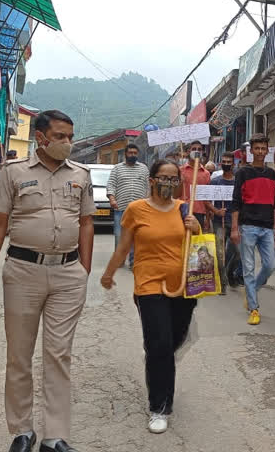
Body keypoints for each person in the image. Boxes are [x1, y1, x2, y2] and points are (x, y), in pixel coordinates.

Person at [0, 110, 95, 452]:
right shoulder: (13, 173)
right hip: (22, 272)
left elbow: (87, 222)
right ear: (41, 138)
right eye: (60, 136)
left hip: (67, 274)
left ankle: (55, 436)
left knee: (59, 354)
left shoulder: (81, 174)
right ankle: (22, 431)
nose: (67, 143)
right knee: (19, 354)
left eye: (70, 137)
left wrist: (83, 271)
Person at [100, 159, 201, 435]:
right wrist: (108, 274)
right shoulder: (136, 210)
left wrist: (197, 228)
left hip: (181, 285)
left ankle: (160, 358)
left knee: (172, 342)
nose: (168, 182)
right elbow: (124, 247)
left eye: (173, 178)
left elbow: (199, 247)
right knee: (159, 347)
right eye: (163, 177)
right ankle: (159, 407)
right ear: (152, 180)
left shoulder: (184, 210)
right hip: (149, 285)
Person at [231, 134, 275, 325]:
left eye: (263, 148)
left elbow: (273, 203)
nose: (259, 152)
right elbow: (235, 202)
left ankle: (252, 292)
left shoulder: (272, 173)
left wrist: (274, 229)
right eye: (256, 148)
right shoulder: (242, 172)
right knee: (248, 269)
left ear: (267, 151)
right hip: (247, 226)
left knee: (270, 265)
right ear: (251, 151)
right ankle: (254, 308)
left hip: (266, 227)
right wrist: (234, 228)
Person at [107, 143, 149, 269]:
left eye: (135, 153)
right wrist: (112, 199)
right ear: (125, 154)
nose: (132, 155)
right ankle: (119, 260)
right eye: (130, 153)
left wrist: (147, 201)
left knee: (137, 236)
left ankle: (133, 262)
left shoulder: (144, 168)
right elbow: (111, 185)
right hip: (121, 208)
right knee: (120, 235)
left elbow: (148, 187)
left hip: (139, 210)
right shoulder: (117, 168)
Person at [205, 152, 241, 294]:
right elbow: (206, 199)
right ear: (221, 164)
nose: (226, 164)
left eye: (229, 162)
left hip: (234, 223)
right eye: (224, 161)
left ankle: (229, 272)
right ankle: (222, 283)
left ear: (233, 164)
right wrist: (215, 211)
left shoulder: (238, 182)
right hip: (219, 222)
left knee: (238, 253)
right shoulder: (215, 181)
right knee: (220, 254)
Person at [180, 141, 211, 227]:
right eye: (194, 149)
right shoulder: (180, 171)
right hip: (182, 210)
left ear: (202, 152)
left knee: (196, 240)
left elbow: (206, 198)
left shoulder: (206, 173)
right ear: (188, 151)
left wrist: (207, 218)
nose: (197, 151)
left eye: (199, 149)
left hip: (199, 213)